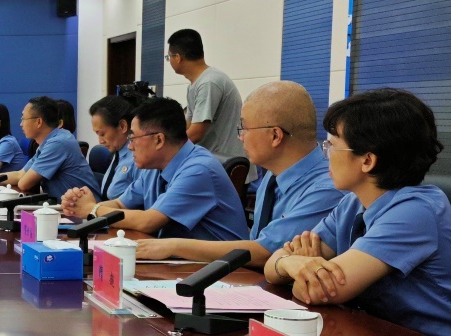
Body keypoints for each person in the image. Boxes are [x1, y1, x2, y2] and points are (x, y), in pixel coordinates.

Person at [263, 88, 451, 336]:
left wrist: (300, 270)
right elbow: (272, 267)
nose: (326, 155)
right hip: (373, 335)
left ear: (367, 161)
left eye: (332, 146)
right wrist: (291, 263)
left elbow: (322, 292)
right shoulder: (352, 203)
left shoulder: (417, 211)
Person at [137, 81, 342, 267]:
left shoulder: (327, 188)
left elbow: (265, 252)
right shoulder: (272, 176)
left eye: (244, 127)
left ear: (275, 136)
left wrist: (173, 246)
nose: (240, 137)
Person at [60, 97, 248, 240]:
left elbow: (149, 221)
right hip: (179, 260)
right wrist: (79, 205)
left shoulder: (198, 169)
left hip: (227, 271)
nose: (130, 147)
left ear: (159, 140)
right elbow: (120, 204)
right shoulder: (153, 167)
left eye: (133, 138)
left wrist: (93, 209)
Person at [166, 28, 247, 164]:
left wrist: (169, 150)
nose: (169, 61)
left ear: (178, 57)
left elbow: (196, 132)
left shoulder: (209, 82)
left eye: (169, 57)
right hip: (213, 160)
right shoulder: (195, 84)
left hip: (228, 164)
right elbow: (188, 125)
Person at [5, 97, 97, 198]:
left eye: (23, 119)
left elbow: (24, 184)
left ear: (39, 122)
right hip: (65, 203)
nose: (21, 124)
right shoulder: (48, 142)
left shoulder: (58, 143)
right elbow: (20, 175)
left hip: (84, 206)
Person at [88, 95, 141, 201]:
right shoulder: (117, 153)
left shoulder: (138, 158)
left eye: (102, 134)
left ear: (122, 126)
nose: (100, 141)